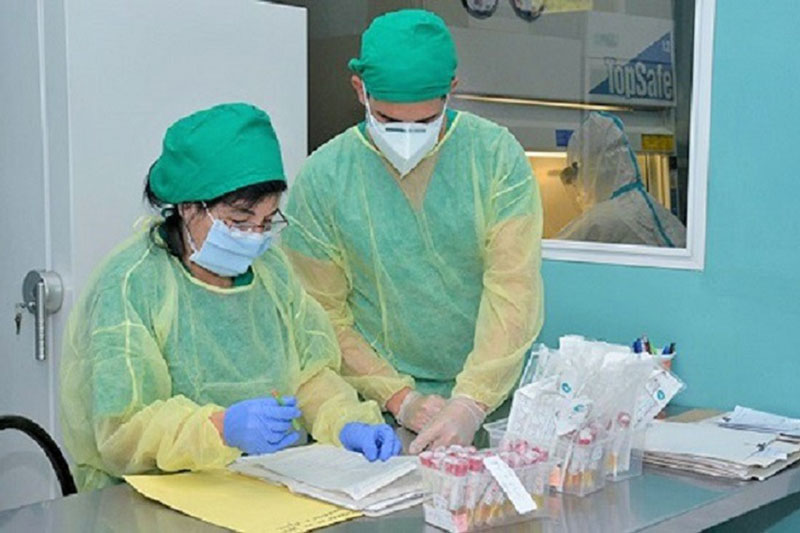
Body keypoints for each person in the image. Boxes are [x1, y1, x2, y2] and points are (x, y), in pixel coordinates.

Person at [59, 103, 401, 491]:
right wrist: (221, 428)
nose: (255, 237)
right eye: (239, 222)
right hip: (149, 500)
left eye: (267, 222)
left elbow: (308, 374)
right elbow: (122, 430)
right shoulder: (132, 284)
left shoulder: (271, 274)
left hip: (256, 490)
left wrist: (344, 422)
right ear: (189, 206)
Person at [281, 10, 544, 454]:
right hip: (377, 412)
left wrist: (470, 402)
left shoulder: (496, 157)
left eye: (425, 122)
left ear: (451, 91)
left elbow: (513, 291)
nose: (407, 136)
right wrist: (400, 398)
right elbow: (320, 315)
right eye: (387, 119)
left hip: (488, 400)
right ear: (360, 91)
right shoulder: (324, 177)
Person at [556, 112, 687, 247]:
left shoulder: (602, 220)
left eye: (578, 169)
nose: (576, 183)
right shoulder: (648, 206)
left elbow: (551, 257)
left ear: (593, 168)